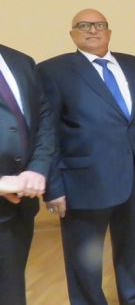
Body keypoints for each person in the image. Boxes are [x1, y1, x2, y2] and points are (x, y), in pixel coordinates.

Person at [38, 9, 135, 305]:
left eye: (99, 25)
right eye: (83, 25)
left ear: (109, 32)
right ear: (72, 34)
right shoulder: (53, 71)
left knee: (132, 247)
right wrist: (52, 186)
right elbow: (48, 132)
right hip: (84, 182)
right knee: (84, 258)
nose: (92, 30)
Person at [0, 44, 54, 305]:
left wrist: (36, 168)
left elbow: (43, 118)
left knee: (11, 293)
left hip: (17, 208)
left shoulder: (20, 61)